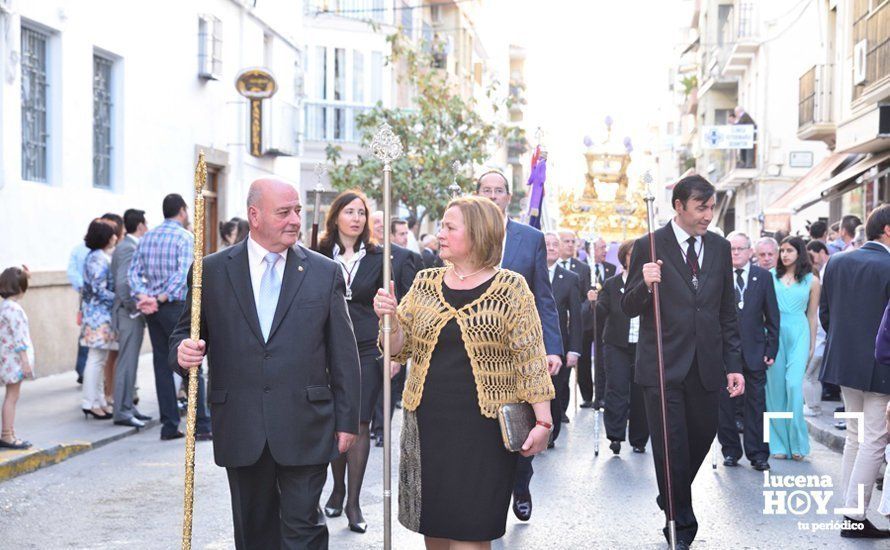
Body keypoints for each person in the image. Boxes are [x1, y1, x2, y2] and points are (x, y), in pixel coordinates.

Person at [173, 177, 360, 549]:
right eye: (284, 212)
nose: (295, 219)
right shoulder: (211, 271)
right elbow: (183, 333)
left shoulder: (323, 273)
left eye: (297, 211)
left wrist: (347, 420)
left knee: (303, 529)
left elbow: (344, 353)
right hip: (241, 425)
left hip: (306, 423)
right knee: (254, 532)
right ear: (254, 215)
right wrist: (182, 352)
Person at [373, 195, 554, 548]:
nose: (439, 233)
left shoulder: (511, 289)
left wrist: (543, 422)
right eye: (441, 225)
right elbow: (400, 347)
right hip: (429, 426)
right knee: (436, 534)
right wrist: (389, 321)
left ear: (477, 234)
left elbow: (530, 360)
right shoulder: (425, 282)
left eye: (449, 227)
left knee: (471, 535)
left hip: (484, 432)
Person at [621, 174, 744, 549]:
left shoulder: (721, 248)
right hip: (662, 366)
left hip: (706, 365)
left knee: (702, 436)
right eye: (701, 207)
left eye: (711, 207)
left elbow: (726, 311)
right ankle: (681, 523)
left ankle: (671, 495)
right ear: (679, 206)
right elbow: (627, 307)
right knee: (671, 444)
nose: (708, 214)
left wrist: (734, 363)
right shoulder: (649, 244)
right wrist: (643, 281)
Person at [475, 170, 562, 523]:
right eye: (486, 190)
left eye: (499, 191)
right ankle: (485, 493)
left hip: (520, 348)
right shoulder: (466, 233)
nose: (493, 196)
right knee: (482, 424)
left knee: (521, 420)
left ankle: (521, 484)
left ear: (509, 197)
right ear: (477, 194)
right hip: (477, 348)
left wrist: (552, 347)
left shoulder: (530, 238)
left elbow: (545, 296)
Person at [819, 204, 890, 538]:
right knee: (874, 439)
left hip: (845, 362)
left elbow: (826, 314)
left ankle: (850, 509)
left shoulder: (837, 261)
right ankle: (854, 515)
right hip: (881, 364)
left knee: (855, 437)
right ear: (887, 230)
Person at [318, 191, 385, 533]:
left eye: (362, 212)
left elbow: (389, 305)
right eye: (350, 211)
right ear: (336, 217)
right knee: (333, 419)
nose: (357, 218)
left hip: (365, 346)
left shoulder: (377, 256)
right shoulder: (316, 253)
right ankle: (337, 486)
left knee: (359, 422)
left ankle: (354, 502)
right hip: (326, 346)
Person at [129, 193, 211, 441]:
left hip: (152, 311)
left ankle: (169, 425)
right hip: (174, 306)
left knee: (162, 364)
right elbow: (184, 275)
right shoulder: (185, 237)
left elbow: (133, 273)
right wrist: (160, 298)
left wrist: (144, 296)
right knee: (191, 361)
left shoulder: (147, 237)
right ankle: (202, 424)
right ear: (183, 211)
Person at [717, 231, 779, 471]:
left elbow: (772, 315)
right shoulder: (719, 276)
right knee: (726, 404)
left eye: (740, 249)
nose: (735, 253)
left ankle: (759, 453)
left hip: (755, 351)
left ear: (749, 251)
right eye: (731, 249)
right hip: (725, 353)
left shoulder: (762, 277)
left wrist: (771, 347)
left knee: (756, 404)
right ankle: (731, 451)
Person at [766, 237, 819, 461]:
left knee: (794, 385)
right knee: (775, 390)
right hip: (774, 333)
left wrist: (812, 345)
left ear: (800, 253)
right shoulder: (770, 276)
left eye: (789, 250)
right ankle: (777, 444)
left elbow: (812, 316)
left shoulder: (812, 280)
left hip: (799, 333)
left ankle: (798, 443)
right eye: (782, 250)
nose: (785, 254)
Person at [597, 240, 650, 455]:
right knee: (617, 388)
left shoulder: (650, 283)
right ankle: (616, 435)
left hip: (643, 346)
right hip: (617, 344)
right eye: (630, 254)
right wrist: (594, 302)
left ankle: (639, 438)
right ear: (623, 258)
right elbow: (602, 312)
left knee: (641, 392)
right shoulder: (611, 284)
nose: (634, 257)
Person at [110, 209, 152, 428]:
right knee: (126, 363)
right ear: (141, 226)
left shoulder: (127, 246)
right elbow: (124, 283)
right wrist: (135, 307)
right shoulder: (128, 248)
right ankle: (123, 410)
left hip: (129, 312)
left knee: (130, 362)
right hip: (129, 313)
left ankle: (128, 406)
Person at [544, 231, 582, 445]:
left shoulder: (570, 279)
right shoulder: (528, 275)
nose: (550, 248)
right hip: (531, 344)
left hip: (559, 345)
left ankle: (551, 434)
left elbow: (576, 317)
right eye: (546, 244)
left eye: (554, 245)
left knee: (555, 392)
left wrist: (574, 350)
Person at [79, 219, 118, 420]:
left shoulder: (99, 256)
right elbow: (97, 289)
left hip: (100, 314)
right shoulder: (97, 258)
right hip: (97, 315)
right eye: (112, 233)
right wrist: (118, 297)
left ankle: (99, 400)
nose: (115, 236)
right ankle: (90, 402)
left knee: (99, 359)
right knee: (95, 359)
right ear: (105, 237)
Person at [0, 266, 34, 450]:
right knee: (12, 396)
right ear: (21, 288)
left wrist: (24, 276)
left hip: (6, 357)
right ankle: (7, 435)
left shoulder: (4, 307)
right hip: (14, 359)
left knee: (10, 396)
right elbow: (19, 337)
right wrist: (25, 361)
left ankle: (9, 433)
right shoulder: (15, 309)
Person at [585, 237, 616, 409]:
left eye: (606, 247)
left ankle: (602, 395)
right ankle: (588, 396)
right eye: (601, 247)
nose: (605, 250)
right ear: (592, 249)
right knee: (585, 362)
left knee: (603, 360)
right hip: (587, 321)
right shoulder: (583, 267)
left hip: (605, 322)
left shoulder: (611, 269)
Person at [803, 240, 830, 416]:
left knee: (806, 376)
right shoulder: (818, 280)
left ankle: (812, 407)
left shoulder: (812, 283)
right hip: (822, 339)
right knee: (813, 377)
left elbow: (814, 318)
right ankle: (815, 406)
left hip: (817, 339)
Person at [67, 240, 90, 383]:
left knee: (86, 334)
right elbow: (72, 272)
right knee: (86, 334)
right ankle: (82, 370)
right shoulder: (80, 249)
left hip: (87, 296)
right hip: (88, 298)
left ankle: (83, 370)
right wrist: (84, 287)